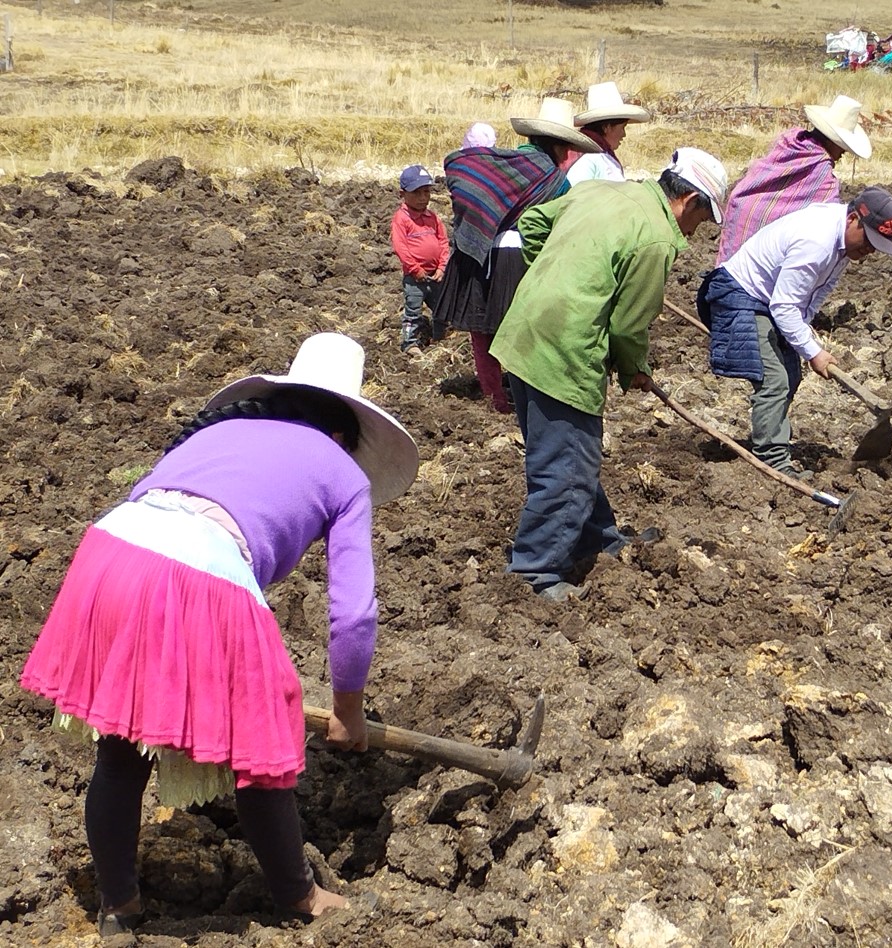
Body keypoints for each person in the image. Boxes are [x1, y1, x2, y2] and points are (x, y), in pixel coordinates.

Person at [19, 333, 419, 936]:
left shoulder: (216, 431)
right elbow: (355, 613)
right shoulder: (342, 471)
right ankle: (299, 895)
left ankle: (118, 906)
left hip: (110, 552)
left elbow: (151, 507)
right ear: (346, 432)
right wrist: (347, 710)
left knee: (122, 748)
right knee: (262, 743)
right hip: (203, 572)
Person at [490, 148, 729, 602]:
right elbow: (627, 325)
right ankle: (534, 574)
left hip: (525, 332)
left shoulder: (600, 191)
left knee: (573, 453)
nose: (696, 231)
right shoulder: (656, 239)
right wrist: (634, 368)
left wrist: (563, 272)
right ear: (691, 201)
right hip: (564, 349)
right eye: (701, 220)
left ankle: (597, 538)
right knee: (567, 470)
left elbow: (533, 225)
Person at [698, 188, 892, 477]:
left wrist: (802, 335)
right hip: (740, 294)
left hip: (770, 300)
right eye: (870, 240)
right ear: (853, 218)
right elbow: (783, 305)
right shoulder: (816, 241)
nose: (870, 250)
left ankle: (771, 438)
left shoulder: (843, 243)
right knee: (775, 379)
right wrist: (814, 352)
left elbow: (816, 292)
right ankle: (773, 462)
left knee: (791, 374)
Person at [436, 99, 601, 413]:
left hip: (481, 255)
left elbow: (461, 168)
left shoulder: (504, 161)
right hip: (520, 257)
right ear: (562, 146)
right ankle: (523, 396)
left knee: (482, 331)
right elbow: (561, 221)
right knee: (522, 329)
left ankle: (493, 397)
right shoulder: (555, 180)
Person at [716, 94, 872, 265]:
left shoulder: (787, 145)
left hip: (742, 216)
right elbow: (829, 226)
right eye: (842, 147)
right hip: (765, 245)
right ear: (832, 141)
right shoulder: (823, 181)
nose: (843, 154)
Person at [391, 165, 450, 356]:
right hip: (415, 278)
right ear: (403, 194)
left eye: (426, 192)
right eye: (417, 193)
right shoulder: (402, 219)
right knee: (413, 311)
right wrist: (415, 269)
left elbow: (443, 241)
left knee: (441, 307)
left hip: (435, 275)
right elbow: (401, 247)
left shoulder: (432, 217)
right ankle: (410, 343)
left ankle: (440, 336)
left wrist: (442, 266)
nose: (423, 197)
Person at [566, 81, 652, 186]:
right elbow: (576, 195)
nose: (624, 134)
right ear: (606, 127)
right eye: (622, 128)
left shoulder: (601, 156)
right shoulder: (588, 159)